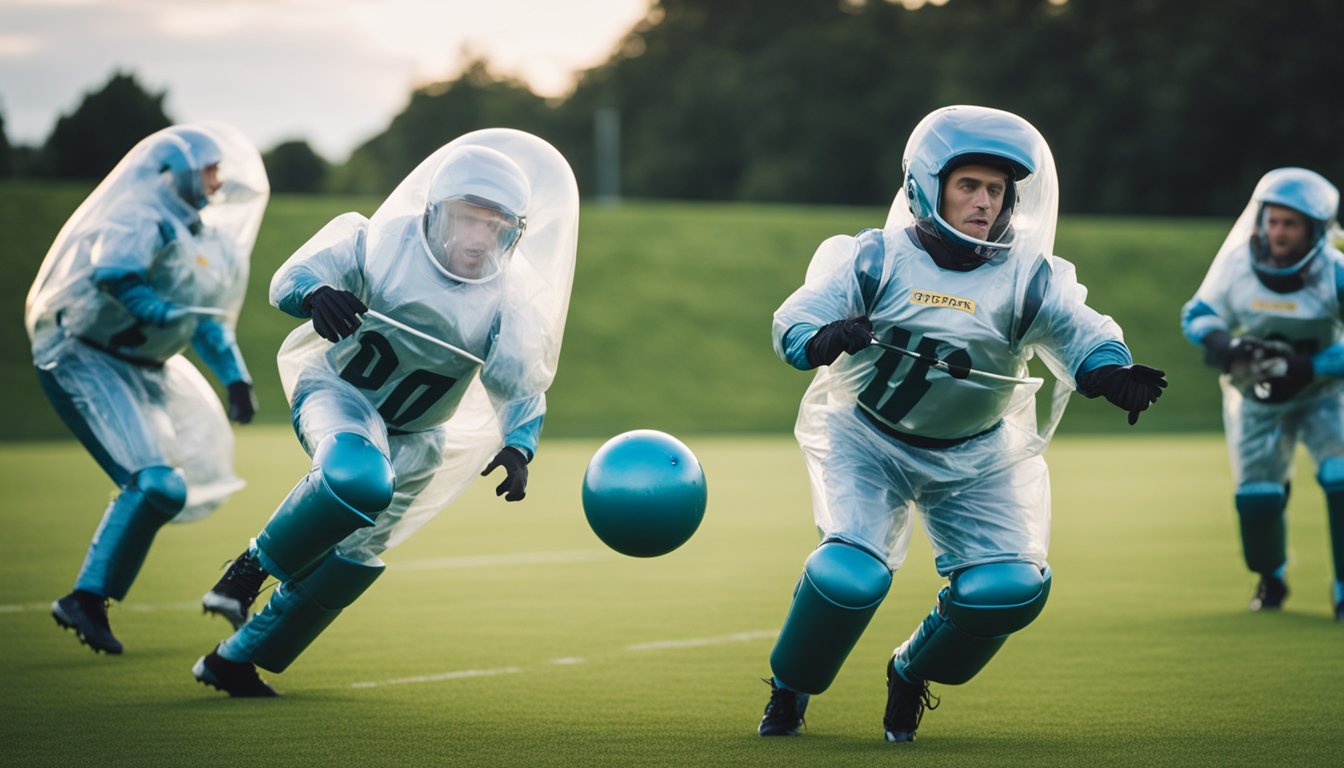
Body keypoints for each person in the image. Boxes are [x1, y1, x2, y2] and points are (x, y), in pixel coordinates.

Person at [759, 105, 1167, 742]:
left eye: (996, 190)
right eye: (968, 185)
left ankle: (910, 671)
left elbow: (1082, 327)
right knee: (848, 574)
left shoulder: (1027, 279)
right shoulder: (874, 259)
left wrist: (1109, 369)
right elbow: (795, 319)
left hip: (976, 455)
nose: (984, 202)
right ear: (928, 187)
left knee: (1010, 588)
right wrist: (821, 338)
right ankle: (791, 688)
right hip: (867, 439)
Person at [190, 128, 579, 697]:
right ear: (436, 211)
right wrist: (317, 294)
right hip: (338, 393)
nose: (479, 237)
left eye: (496, 226)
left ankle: (237, 659)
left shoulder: (511, 297)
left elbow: (522, 382)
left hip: (421, 433)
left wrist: (520, 445)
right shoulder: (377, 240)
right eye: (469, 218)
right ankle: (245, 572)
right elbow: (288, 281)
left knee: (357, 557)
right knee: (358, 474)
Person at [25, 123, 268, 655]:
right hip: (88, 355)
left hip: (147, 364)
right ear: (179, 170)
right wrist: (159, 310)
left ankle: (87, 598)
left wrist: (235, 376)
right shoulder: (139, 217)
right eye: (208, 169)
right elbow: (115, 273)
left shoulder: (200, 235)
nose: (217, 181)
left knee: (167, 487)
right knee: (156, 484)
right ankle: (85, 599)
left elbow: (206, 319)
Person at [1180, 167, 1344, 620]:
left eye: (1290, 223)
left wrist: (1309, 366)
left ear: (1314, 230)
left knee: (1340, 477)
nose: (1278, 232)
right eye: (1272, 220)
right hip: (1254, 396)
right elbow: (1199, 314)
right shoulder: (1236, 263)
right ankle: (1271, 577)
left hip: (1325, 393)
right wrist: (1226, 345)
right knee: (1258, 497)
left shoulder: (1335, 273)